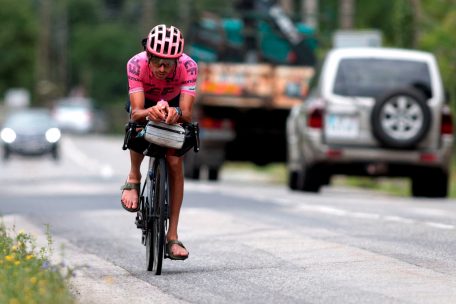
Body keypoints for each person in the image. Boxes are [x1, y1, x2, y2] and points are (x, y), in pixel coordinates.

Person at [121, 24, 198, 260]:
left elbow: (186, 112)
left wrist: (175, 112)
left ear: (177, 60)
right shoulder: (136, 64)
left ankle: (172, 236)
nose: (163, 69)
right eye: (158, 63)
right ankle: (134, 178)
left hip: (174, 102)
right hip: (146, 102)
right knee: (138, 129)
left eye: (169, 63)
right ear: (149, 56)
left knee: (175, 162)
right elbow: (136, 112)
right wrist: (150, 111)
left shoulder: (188, 66)